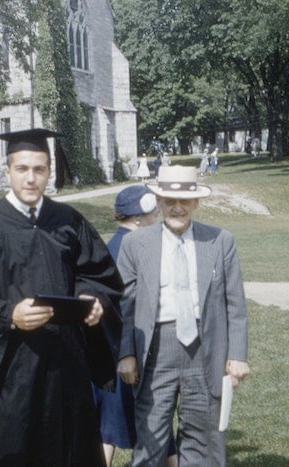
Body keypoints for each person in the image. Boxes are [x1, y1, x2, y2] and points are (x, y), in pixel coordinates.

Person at [0, 128, 123, 467]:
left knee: (70, 450)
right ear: (7, 170)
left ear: (49, 171)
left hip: (65, 370)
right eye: (22, 169)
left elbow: (99, 274)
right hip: (11, 373)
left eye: (39, 169)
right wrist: (9, 315)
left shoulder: (69, 221)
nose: (31, 178)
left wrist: (93, 299)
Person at [116, 165, 250, 466]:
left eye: (185, 201)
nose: (177, 208)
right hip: (155, 349)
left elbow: (235, 303)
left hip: (205, 348)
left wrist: (238, 355)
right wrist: (126, 353)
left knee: (205, 439)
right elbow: (124, 305)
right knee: (150, 441)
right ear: (158, 202)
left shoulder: (219, 241)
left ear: (196, 202)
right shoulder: (135, 244)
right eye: (169, 201)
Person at [95, 185, 177, 467]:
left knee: (107, 426)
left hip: (107, 351)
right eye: (154, 213)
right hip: (135, 350)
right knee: (156, 418)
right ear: (140, 218)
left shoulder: (108, 247)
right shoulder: (137, 249)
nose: (157, 218)